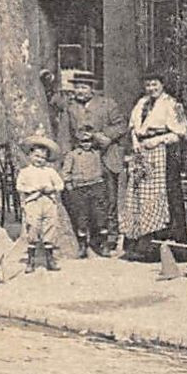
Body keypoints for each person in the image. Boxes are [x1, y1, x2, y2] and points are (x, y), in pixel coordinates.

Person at [120, 73, 187, 262]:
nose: (151, 88)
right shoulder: (141, 103)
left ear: (162, 84)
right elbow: (134, 127)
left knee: (163, 197)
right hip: (141, 153)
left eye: (155, 84)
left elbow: (181, 133)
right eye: (148, 85)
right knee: (137, 196)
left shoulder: (172, 104)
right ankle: (137, 245)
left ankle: (162, 247)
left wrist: (158, 140)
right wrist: (135, 141)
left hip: (162, 155)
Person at [59, 72, 127, 250]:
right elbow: (65, 134)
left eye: (83, 87)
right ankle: (87, 237)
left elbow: (121, 125)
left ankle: (110, 237)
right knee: (84, 200)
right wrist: (67, 157)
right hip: (83, 160)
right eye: (77, 87)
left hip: (106, 156)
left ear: (92, 89)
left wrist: (105, 136)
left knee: (108, 199)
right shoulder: (70, 108)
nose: (79, 91)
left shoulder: (107, 104)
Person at [16, 134, 66, 272]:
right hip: (33, 202)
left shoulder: (50, 171)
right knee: (33, 228)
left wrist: (52, 188)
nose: (39, 160)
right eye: (37, 156)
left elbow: (60, 184)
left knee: (50, 227)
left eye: (43, 158)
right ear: (30, 155)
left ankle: (50, 259)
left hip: (48, 202)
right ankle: (31, 261)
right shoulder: (25, 172)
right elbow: (19, 186)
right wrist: (33, 189)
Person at [60, 127, 111, 258]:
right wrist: (69, 186)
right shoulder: (72, 155)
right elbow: (65, 172)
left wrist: (94, 134)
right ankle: (82, 246)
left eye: (88, 141)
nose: (86, 144)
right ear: (78, 142)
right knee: (81, 217)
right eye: (83, 141)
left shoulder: (97, 153)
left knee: (100, 216)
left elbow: (105, 142)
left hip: (96, 186)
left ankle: (103, 244)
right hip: (80, 189)